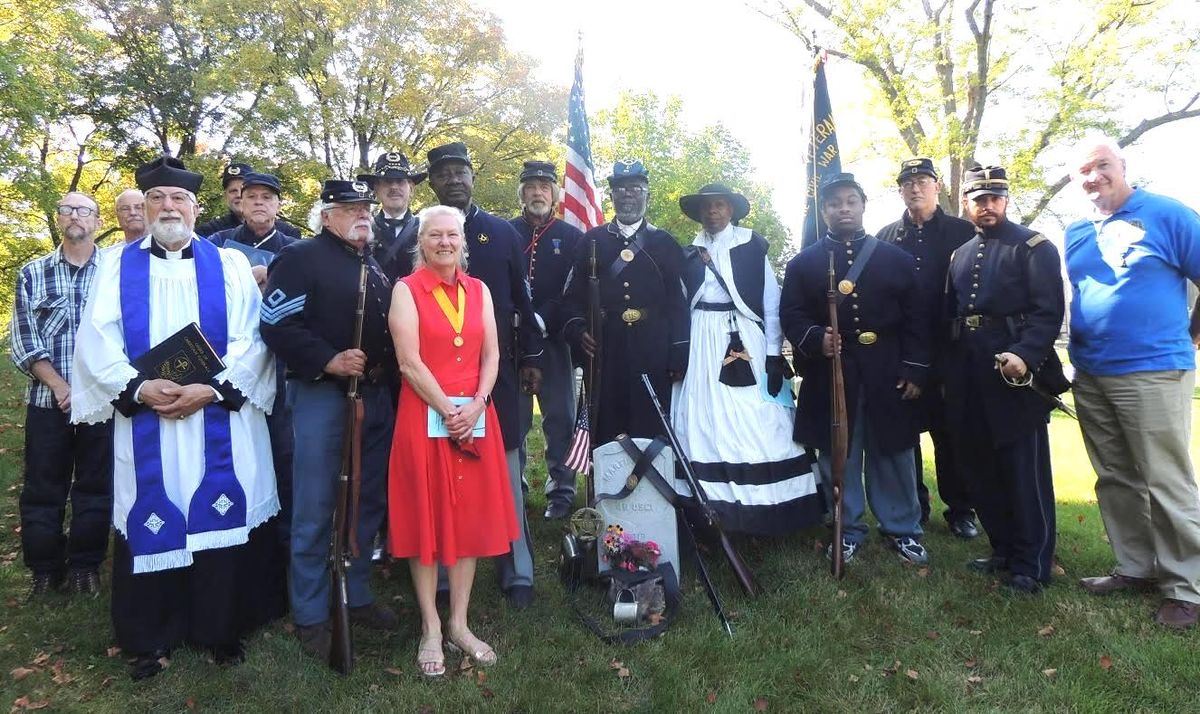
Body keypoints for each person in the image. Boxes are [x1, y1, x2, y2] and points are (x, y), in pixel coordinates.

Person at [70, 156, 283, 679]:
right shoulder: (116, 266)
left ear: (195, 207)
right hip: (149, 419)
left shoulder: (229, 265)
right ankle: (151, 636)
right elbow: (96, 340)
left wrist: (209, 389)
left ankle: (221, 630)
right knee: (153, 511)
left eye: (178, 198)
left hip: (218, 421)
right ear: (144, 207)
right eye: (158, 197)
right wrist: (139, 387)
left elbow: (253, 340)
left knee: (222, 511)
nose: (168, 206)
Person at [259, 179, 399, 661]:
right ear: (325, 216)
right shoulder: (302, 258)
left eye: (364, 207)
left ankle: (355, 595)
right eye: (348, 208)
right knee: (318, 506)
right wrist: (328, 359)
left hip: (376, 398)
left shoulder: (372, 265)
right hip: (324, 395)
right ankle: (312, 613)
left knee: (366, 501)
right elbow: (275, 324)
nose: (361, 214)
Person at [1065, 136, 1200, 628]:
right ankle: (1137, 568)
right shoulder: (1076, 233)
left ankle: (1187, 586)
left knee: (1166, 479)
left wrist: (1191, 336)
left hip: (1154, 370)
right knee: (1116, 477)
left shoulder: (1168, 214)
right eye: (1083, 171)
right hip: (1092, 371)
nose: (1093, 176)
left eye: (1102, 165)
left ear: (1122, 166)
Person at [387, 205, 519, 677]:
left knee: (466, 522)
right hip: (426, 417)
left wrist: (480, 403)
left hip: (476, 418)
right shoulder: (406, 290)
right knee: (428, 519)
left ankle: (459, 624)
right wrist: (449, 410)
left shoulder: (478, 290)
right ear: (420, 242)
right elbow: (408, 362)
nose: (444, 242)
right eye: (434, 235)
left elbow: (492, 352)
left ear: (463, 242)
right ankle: (429, 627)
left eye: (452, 235)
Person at [779, 172, 929, 566]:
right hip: (832, 374)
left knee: (894, 453)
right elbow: (791, 316)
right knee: (838, 453)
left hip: (888, 369)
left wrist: (914, 370)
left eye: (850, 201)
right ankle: (846, 528)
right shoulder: (803, 263)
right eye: (834, 203)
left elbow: (918, 319)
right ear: (824, 210)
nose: (843, 208)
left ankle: (902, 529)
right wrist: (816, 338)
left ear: (863, 205)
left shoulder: (896, 259)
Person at [425, 141, 542, 609]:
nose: (454, 179)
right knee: (445, 475)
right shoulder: (421, 234)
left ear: (473, 176)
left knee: (506, 470)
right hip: (437, 382)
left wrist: (532, 356)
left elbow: (524, 300)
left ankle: (518, 571)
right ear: (433, 182)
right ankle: (444, 575)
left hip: (498, 373)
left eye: (461, 171)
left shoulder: (501, 233)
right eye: (444, 173)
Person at [942, 165, 1065, 595]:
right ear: (967, 203)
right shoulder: (958, 255)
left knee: (1022, 470)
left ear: (1006, 200)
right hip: (968, 373)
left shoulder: (1033, 247)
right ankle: (1003, 549)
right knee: (979, 466)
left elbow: (1048, 313)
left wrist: (1025, 355)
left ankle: (1032, 565)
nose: (987, 206)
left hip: (1014, 374)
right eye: (979, 199)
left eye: (994, 198)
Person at [672, 183, 822, 534]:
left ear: (731, 210)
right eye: (707, 207)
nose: (713, 212)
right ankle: (704, 507)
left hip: (745, 337)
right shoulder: (689, 253)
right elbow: (680, 304)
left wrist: (772, 355)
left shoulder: (752, 246)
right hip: (702, 341)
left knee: (758, 414)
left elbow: (772, 305)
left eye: (720, 206)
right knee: (702, 415)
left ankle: (769, 509)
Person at [10, 191, 112, 598]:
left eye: (84, 210)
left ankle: (86, 566)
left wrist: (90, 389)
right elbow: (23, 339)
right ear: (58, 218)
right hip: (48, 401)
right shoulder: (32, 273)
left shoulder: (114, 272)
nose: (75, 216)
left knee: (95, 484)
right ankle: (44, 569)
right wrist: (60, 386)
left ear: (97, 220)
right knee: (43, 486)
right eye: (68, 209)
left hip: (100, 402)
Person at [875, 158, 978, 537]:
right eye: (908, 182)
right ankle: (914, 504)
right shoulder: (884, 238)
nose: (915, 188)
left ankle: (961, 509)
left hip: (952, 351)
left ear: (937, 186)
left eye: (922, 180)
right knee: (906, 436)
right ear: (900, 190)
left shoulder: (964, 232)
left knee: (952, 434)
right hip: (902, 355)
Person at [558, 159, 689, 446]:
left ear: (647, 195)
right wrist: (580, 331)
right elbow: (570, 300)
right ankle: (610, 486)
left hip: (654, 348)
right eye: (620, 189)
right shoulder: (591, 241)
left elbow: (679, 303)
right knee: (608, 424)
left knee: (655, 422)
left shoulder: (665, 243)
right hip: (608, 349)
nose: (628, 194)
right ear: (612, 196)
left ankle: (657, 489)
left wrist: (679, 352)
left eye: (635, 187)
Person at [210, 172, 299, 551]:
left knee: (284, 451)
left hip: (281, 365)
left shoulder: (296, 249)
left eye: (268, 197)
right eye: (252, 197)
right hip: (230, 364)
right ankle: (240, 535)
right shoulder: (214, 247)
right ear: (239, 203)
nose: (260, 203)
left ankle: (285, 540)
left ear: (279, 205)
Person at [509, 160, 583, 520]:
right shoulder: (505, 232)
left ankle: (562, 491)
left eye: (544, 186)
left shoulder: (571, 238)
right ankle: (515, 489)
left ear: (554, 193)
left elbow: (575, 290)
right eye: (531, 186)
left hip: (555, 341)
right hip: (513, 341)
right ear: (521, 192)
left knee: (560, 418)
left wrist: (543, 317)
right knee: (515, 418)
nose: (538, 192)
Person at [357, 151, 427, 283]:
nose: (394, 187)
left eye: (400, 181)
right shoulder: (363, 229)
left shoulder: (426, 229)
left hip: (416, 301)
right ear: (376, 189)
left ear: (411, 188)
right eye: (387, 182)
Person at [196, 162, 301, 239]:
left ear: (278, 205)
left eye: (266, 197)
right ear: (225, 196)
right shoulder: (213, 235)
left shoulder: (289, 235)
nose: (238, 195)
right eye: (233, 191)